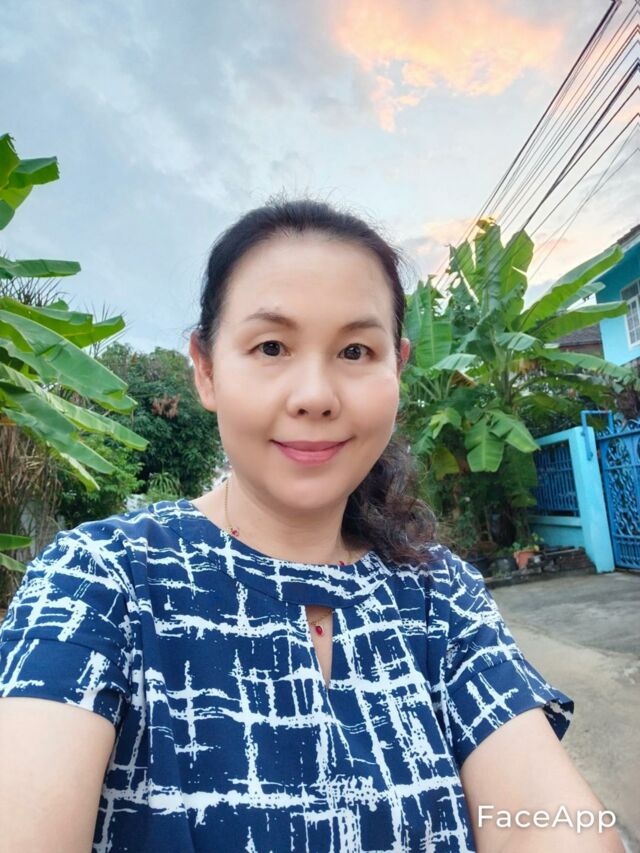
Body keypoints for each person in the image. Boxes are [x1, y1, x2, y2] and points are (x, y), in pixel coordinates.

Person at [0, 197, 623, 853]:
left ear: (398, 368)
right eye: (271, 346)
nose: (316, 396)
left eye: (355, 350)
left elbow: (555, 824)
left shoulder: (441, 596)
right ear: (206, 370)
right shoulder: (100, 580)